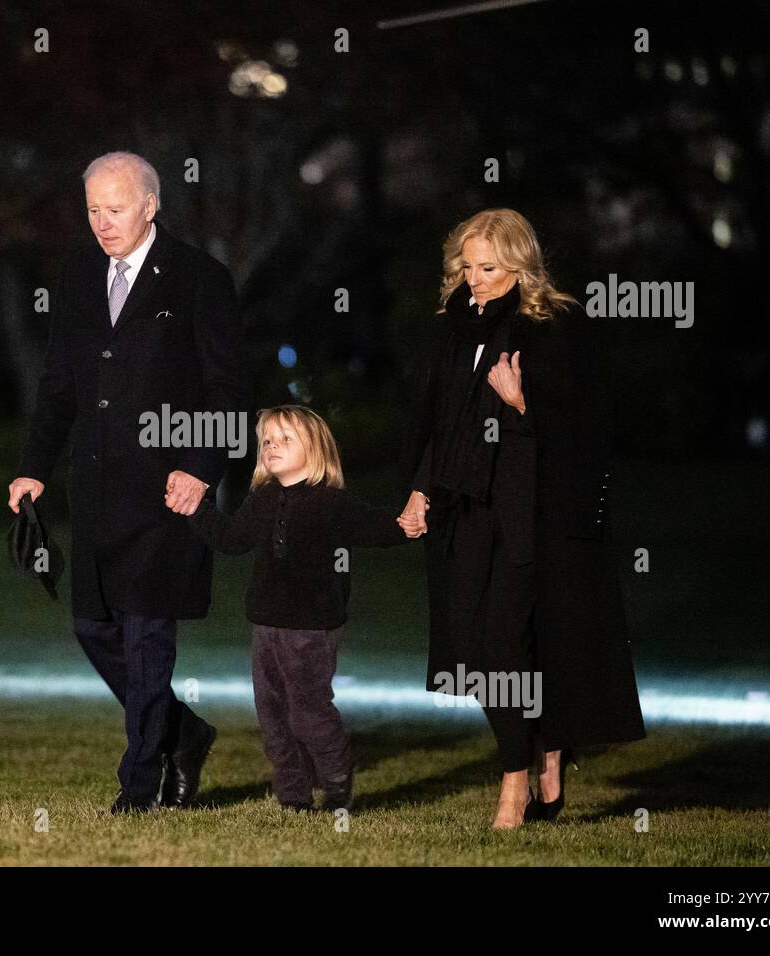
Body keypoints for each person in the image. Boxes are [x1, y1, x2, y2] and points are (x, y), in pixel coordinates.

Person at [8, 151, 250, 814]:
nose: (102, 222)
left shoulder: (200, 279)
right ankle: (186, 732)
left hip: (169, 492)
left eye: (115, 208)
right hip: (95, 490)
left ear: (150, 205)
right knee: (93, 629)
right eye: (92, 209)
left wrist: (203, 470)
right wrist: (33, 467)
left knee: (148, 639)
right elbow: (58, 385)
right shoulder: (80, 274)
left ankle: (138, 787)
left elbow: (230, 391)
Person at [398, 208, 646, 829]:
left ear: (519, 266)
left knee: (508, 646)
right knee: (472, 650)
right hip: (464, 509)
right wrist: (419, 491)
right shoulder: (452, 327)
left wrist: (522, 401)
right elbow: (438, 424)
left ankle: (518, 779)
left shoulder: (554, 326)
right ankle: (542, 750)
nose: (474, 278)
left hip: (529, 515)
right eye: (467, 265)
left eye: (488, 267)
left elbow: (587, 429)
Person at [188, 405, 408, 813]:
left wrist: (409, 522)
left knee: (307, 712)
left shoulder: (332, 503)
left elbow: (377, 528)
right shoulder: (262, 500)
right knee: (273, 719)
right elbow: (231, 538)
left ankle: (337, 777)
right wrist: (196, 510)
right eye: (267, 440)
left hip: (312, 628)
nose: (273, 446)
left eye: (286, 439)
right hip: (266, 626)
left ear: (316, 448)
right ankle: (293, 797)